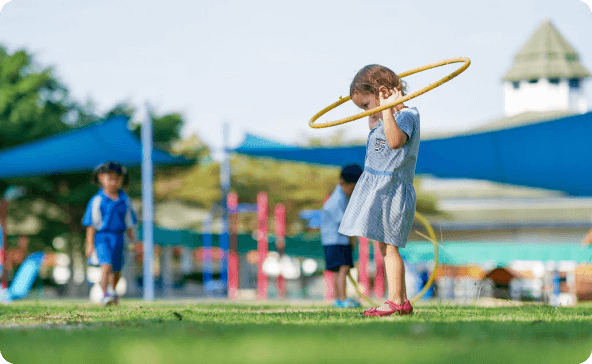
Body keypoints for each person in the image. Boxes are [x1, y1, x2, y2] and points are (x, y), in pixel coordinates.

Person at [338, 64, 420, 317]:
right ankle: (401, 300)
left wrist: (385, 112)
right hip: (378, 188)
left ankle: (395, 300)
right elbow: (379, 147)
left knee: (391, 248)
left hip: (393, 189)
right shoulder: (384, 118)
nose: (366, 112)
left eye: (366, 105)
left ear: (383, 93)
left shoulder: (407, 116)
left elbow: (395, 142)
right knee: (384, 248)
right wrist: (377, 117)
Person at [83, 162, 137, 306]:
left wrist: (133, 242)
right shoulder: (97, 200)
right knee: (105, 267)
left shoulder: (125, 201)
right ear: (101, 178)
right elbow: (91, 225)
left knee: (117, 269)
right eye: (109, 178)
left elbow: (130, 223)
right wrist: (89, 244)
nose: (113, 181)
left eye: (116, 178)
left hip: (119, 238)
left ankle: (113, 291)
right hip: (102, 238)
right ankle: (105, 294)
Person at [321, 164, 364, 308]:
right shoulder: (336, 201)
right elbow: (344, 223)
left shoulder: (343, 196)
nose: (353, 192)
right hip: (335, 240)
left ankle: (340, 299)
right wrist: (352, 239)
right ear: (341, 183)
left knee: (339, 270)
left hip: (337, 240)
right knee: (342, 269)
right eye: (352, 189)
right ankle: (342, 299)